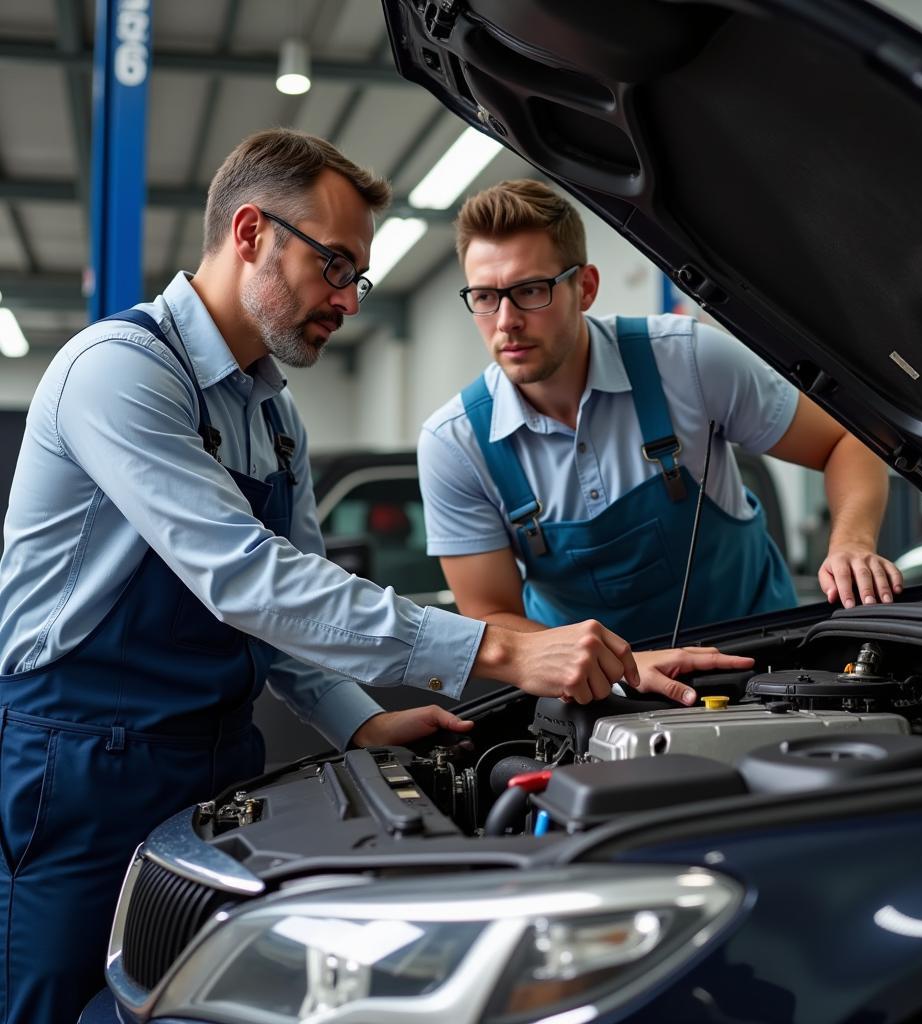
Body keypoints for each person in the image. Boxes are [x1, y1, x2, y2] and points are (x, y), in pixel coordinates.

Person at [0, 133, 646, 1024]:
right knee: (51, 1003)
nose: (347, 299)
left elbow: (289, 598)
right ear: (252, 231)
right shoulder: (119, 373)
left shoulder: (274, 416)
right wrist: (496, 649)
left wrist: (362, 718)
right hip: (77, 765)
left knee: (180, 1005)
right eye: (335, 264)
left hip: (215, 758)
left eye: (358, 276)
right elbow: (249, 582)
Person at [418, 179, 904, 700]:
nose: (506, 321)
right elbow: (491, 617)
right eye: (485, 297)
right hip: (595, 698)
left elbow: (846, 441)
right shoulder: (457, 443)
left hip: (767, 670)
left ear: (585, 287)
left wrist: (851, 542)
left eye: (530, 291)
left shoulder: (687, 362)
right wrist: (623, 667)